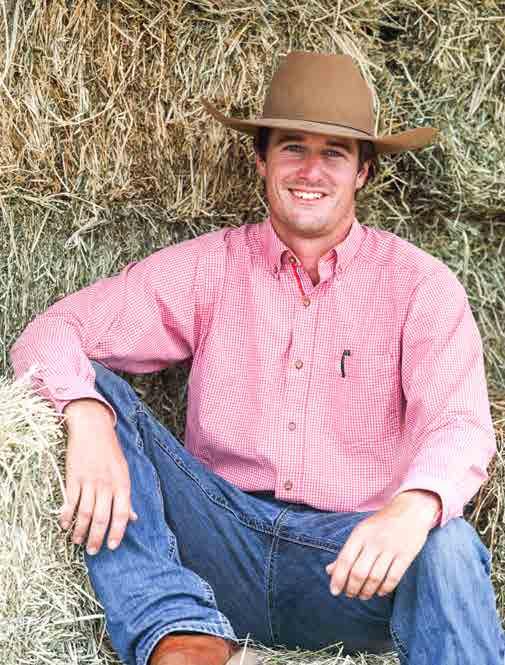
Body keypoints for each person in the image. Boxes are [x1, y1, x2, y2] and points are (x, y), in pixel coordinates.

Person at [11, 52, 504, 665]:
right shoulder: (209, 267)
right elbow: (51, 331)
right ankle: (178, 630)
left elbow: (459, 424)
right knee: (96, 388)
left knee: (449, 544)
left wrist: (413, 508)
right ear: (262, 161)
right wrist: (87, 417)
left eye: (334, 153)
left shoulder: (420, 286)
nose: (311, 170)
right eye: (293, 148)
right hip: (218, 539)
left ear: (363, 172)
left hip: (350, 563)